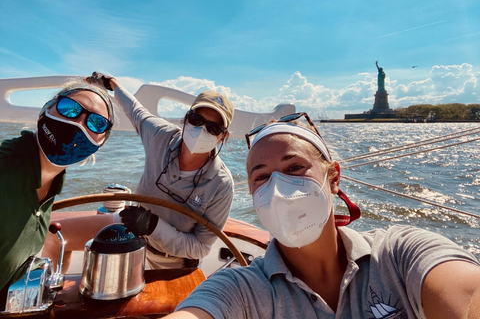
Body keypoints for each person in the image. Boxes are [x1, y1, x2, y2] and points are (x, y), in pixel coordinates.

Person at [166, 112, 480, 318]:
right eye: (261, 177)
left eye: (294, 168)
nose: (278, 188)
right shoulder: (240, 289)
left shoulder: (401, 255)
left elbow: (468, 295)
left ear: (333, 178)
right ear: (252, 194)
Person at [43, 72, 235, 270]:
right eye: (196, 119)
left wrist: (154, 227)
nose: (202, 129)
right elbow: (135, 110)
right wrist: (113, 84)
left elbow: (200, 247)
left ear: (222, 137)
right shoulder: (160, 134)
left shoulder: (221, 184)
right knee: (57, 236)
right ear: (186, 119)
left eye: (213, 128)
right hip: (131, 229)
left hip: (173, 261)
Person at [0, 80, 114, 306]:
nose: (79, 123)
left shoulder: (52, 183)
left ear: (100, 143)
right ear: (46, 110)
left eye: (96, 123)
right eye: (69, 109)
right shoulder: (5, 165)